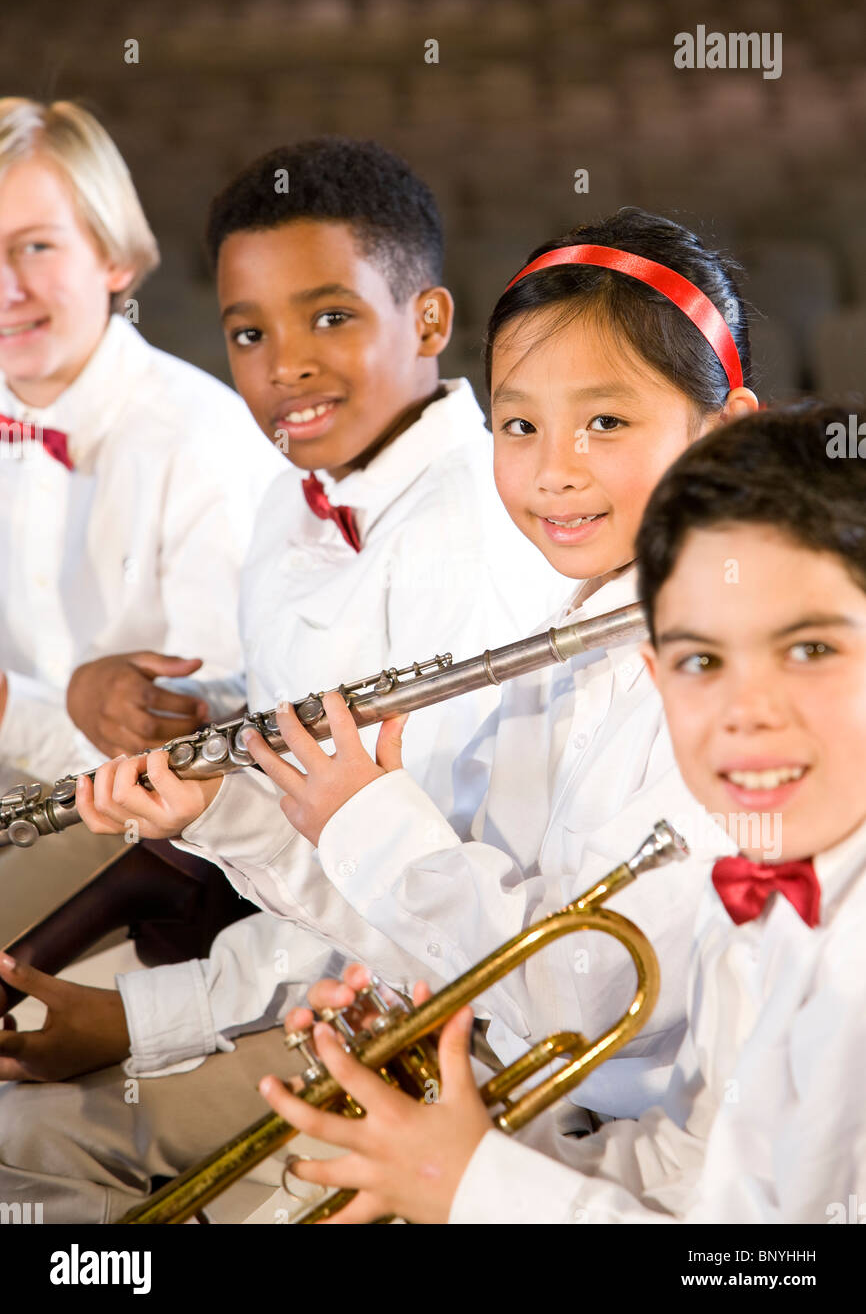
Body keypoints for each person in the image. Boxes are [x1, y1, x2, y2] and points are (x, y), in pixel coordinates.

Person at [76, 209, 758, 1127]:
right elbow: (437, 939)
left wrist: (368, 817)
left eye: (605, 420)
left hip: (635, 1166)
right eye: (520, 424)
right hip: (519, 1105)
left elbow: (579, 991)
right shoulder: (558, 660)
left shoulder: (742, 697)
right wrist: (234, 817)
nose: (554, 470)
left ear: (724, 435)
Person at [0, 138, 566, 1222]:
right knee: (22, 1137)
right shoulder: (290, 505)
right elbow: (307, 793)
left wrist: (149, 997)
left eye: (332, 318)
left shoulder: (483, 535)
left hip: (450, 1034)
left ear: (431, 324)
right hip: (322, 974)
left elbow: (407, 903)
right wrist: (190, 714)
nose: (283, 365)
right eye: (248, 334)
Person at [260, 402, 866, 1226]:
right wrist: (449, 1151)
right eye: (700, 660)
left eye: (810, 650)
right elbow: (702, 1178)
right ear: (656, 675)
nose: (742, 711)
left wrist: (474, 1189)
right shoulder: (766, 881)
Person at [0, 98, 283, 938]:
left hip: (160, 856)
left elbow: (217, 759)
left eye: (36, 248)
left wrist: (14, 712)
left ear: (114, 259)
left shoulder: (203, 443)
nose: (7, 289)